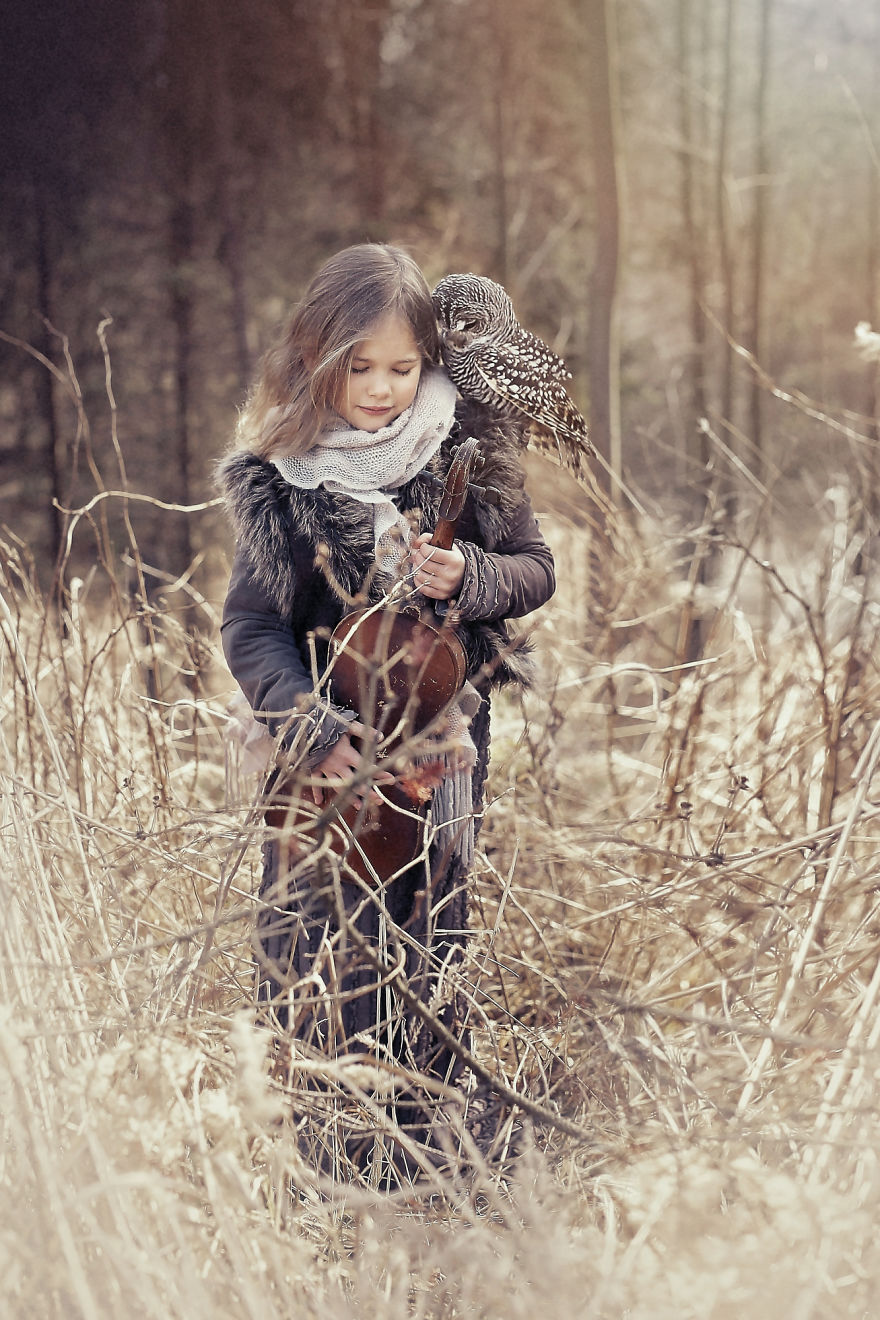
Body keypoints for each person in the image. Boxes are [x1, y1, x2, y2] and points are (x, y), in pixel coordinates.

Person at [218, 243, 555, 1171]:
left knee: (425, 940)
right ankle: (310, 1166)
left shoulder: (468, 455)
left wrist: (472, 575)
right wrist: (305, 725)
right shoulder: (282, 477)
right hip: (320, 755)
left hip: (438, 754)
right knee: (308, 945)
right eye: (356, 367)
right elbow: (250, 628)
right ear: (316, 360)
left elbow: (536, 571)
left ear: (431, 362)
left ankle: (421, 1161)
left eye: (401, 368)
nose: (378, 388)